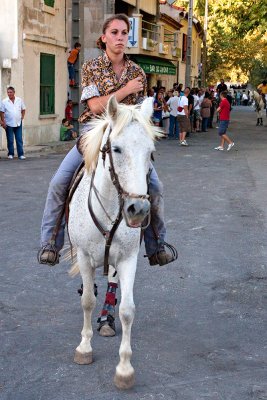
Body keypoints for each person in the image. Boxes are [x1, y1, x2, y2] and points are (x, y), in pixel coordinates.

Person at [39, 16, 175, 267]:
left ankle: (157, 246)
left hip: (126, 140)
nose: (120, 37)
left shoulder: (138, 72)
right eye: (114, 32)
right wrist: (124, 91)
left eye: (124, 32)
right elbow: (94, 106)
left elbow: (138, 114)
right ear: (104, 37)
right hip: (94, 135)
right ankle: (50, 243)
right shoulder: (91, 67)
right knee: (58, 182)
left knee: (155, 188)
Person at [0, 86, 26, 160]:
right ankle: (10, 154)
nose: (9, 94)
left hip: (18, 123)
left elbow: (23, 109)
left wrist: (22, 116)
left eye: (11, 92)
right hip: (9, 123)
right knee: (10, 140)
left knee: (19, 139)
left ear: (14, 92)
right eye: (8, 92)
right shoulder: (4, 101)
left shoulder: (19, 100)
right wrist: (3, 122)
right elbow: (1, 112)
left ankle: (21, 154)